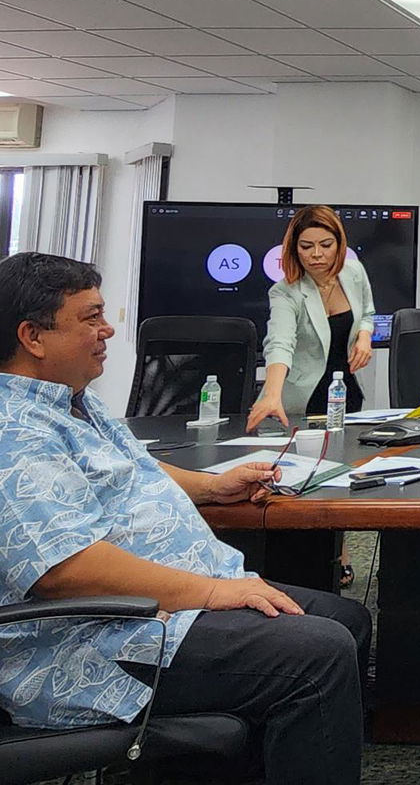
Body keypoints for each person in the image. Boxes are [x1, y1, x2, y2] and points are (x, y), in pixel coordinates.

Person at [0, 252, 369, 785]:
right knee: (317, 653)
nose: (107, 330)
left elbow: (133, 468)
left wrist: (214, 487)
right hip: (95, 639)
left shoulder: (75, 401)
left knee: (345, 621)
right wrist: (216, 593)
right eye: (91, 318)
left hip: (162, 608)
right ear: (33, 337)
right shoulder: (15, 429)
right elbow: (66, 571)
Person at [248, 205, 376, 433]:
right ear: (295, 249)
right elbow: (279, 343)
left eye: (326, 245)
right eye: (306, 246)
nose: (316, 254)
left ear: (339, 245)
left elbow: (367, 312)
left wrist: (364, 336)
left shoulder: (354, 272)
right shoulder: (285, 292)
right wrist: (271, 395)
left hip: (347, 391)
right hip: (301, 401)